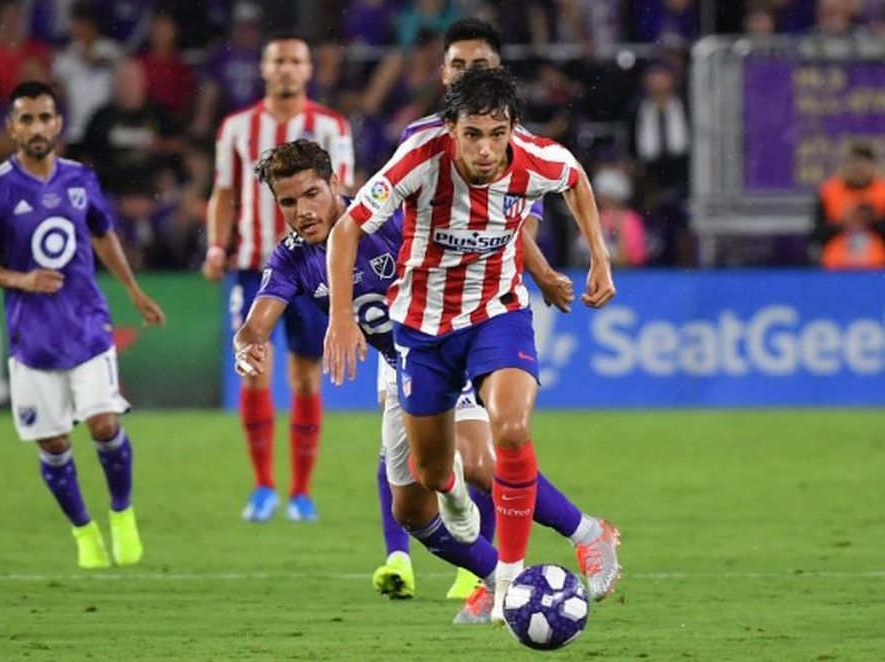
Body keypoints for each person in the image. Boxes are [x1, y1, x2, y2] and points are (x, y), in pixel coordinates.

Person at [236, 139, 611, 624]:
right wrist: (248, 344)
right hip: (401, 363)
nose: (302, 211)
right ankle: (502, 579)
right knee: (411, 511)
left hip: (452, 336)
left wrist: (538, 271)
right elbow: (257, 322)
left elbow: (484, 226)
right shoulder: (291, 258)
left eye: (311, 194)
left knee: (480, 464)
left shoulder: (388, 215)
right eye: (288, 202)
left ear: (335, 184)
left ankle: (587, 532)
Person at [324, 67, 619, 624]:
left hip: (497, 315)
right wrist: (341, 316)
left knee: (510, 428)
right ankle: (463, 506)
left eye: (497, 134)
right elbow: (347, 230)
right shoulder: (418, 158)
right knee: (436, 475)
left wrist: (598, 256)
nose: (486, 150)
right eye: (473, 135)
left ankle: (509, 574)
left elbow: (575, 179)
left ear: (512, 130)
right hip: (422, 330)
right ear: (451, 129)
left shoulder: (537, 159)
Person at [379, 17, 569, 602]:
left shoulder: (515, 145)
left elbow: (517, 226)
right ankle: (423, 547)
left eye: (479, 66)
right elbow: (385, 215)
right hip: (416, 308)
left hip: (486, 308)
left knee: (491, 438)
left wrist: (539, 272)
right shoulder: (417, 140)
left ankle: (490, 570)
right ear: (442, 74)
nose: (467, 73)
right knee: (407, 444)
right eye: (458, 65)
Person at [0, 81, 166, 569]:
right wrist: (22, 279)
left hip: (87, 324)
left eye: (45, 118)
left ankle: (121, 514)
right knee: (54, 443)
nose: (37, 128)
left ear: (58, 124)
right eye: (27, 119)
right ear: (12, 128)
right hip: (32, 338)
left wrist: (133, 291)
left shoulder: (80, 179)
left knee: (103, 422)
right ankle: (84, 531)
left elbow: (103, 234)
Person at [201, 32, 355, 523]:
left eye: (296, 61)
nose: (287, 68)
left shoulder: (331, 127)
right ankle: (264, 485)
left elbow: (342, 194)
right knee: (255, 368)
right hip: (251, 264)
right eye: (278, 61)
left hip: (313, 266)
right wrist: (215, 245)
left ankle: (301, 492)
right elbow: (223, 193)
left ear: (308, 70)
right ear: (264, 69)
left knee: (306, 378)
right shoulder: (236, 128)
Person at [812, 142, 885, 269]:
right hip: (836, 264)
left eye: (863, 166)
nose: (858, 170)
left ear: (873, 167)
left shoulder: (882, 192)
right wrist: (842, 223)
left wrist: (872, 220)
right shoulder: (829, 191)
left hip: (878, 265)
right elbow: (816, 235)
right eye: (853, 165)